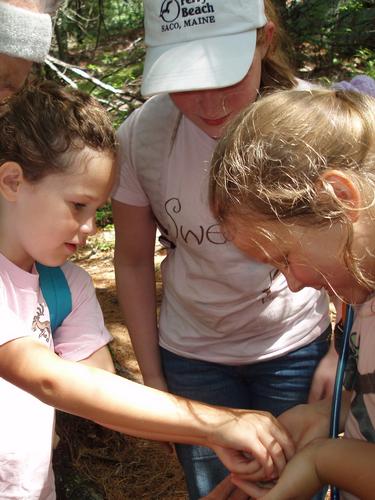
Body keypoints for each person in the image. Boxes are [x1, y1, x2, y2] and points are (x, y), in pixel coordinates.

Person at [0, 80, 296, 499]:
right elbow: (47, 379)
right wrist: (218, 423)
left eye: (98, 210)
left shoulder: (68, 285)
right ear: (13, 181)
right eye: (77, 205)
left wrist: (218, 443)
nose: (90, 229)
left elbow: (99, 393)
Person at [112, 0, 335, 497]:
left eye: (226, 76)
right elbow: (130, 260)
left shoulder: (316, 123)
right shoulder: (143, 137)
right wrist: (153, 381)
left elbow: (359, 245)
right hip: (192, 357)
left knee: (296, 483)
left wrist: (339, 351)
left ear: (265, 39)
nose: (209, 105)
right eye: (185, 83)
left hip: (295, 347)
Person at [208, 87, 375, 500]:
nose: (294, 283)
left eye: (285, 257)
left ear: (339, 199)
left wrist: (322, 462)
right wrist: (322, 415)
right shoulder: (359, 298)